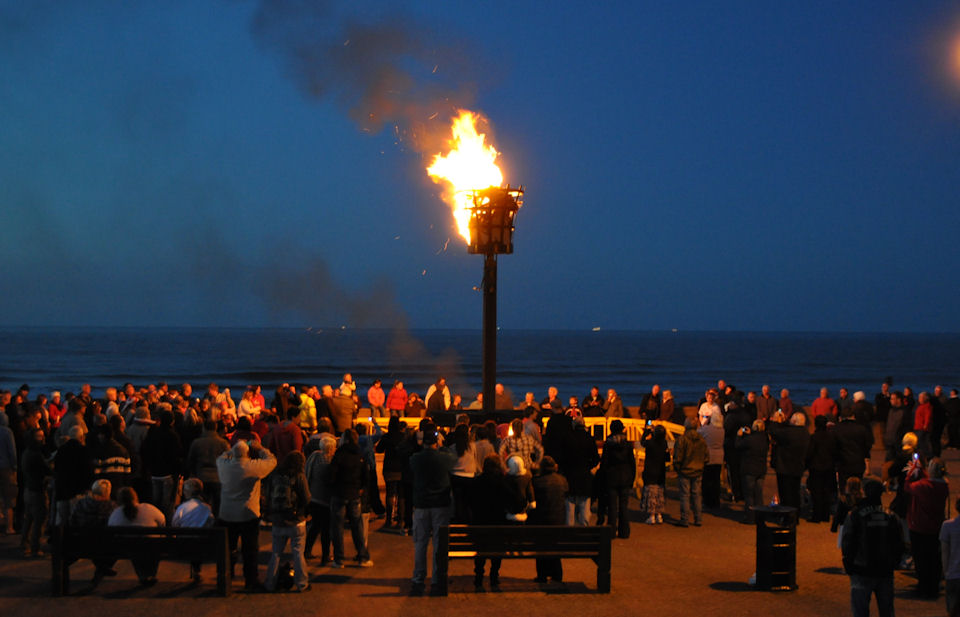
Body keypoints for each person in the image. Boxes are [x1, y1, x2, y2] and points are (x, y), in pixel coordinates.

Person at [216, 439, 277, 591]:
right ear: (248, 453)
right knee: (250, 549)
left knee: (228, 548)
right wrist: (261, 448)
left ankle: (225, 577)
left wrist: (231, 451)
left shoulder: (224, 466)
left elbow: (220, 457)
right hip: (248, 513)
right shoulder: (252, 467)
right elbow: (272, 461)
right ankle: (250, 580)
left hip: (227, 513)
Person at [841, 477, 904, 617]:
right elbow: (899, 542)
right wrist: (895, 561)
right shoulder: (891, 516)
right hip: (885, 570)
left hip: (861, 570)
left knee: (860, 611)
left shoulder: (855, 515)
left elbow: (847, 542)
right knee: (887, 611)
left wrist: (849, 563)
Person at [408, 423, 455, 596]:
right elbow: (453, 457)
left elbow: (411, 461)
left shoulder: (415, 459)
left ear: (423, 443)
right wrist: (443, 446)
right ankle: (437, 580)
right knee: (439, 544)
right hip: (440, 505)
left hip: (421, 505)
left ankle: (418, 579)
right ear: (436, 442)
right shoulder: (444, 458)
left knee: (420, 543)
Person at [264, 451, 311, 593]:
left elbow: (267, 494)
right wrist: (306, 513)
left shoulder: (275, 475)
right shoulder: (298, 476)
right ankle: (302, 583)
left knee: (276, 553)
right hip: (296, 520)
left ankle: (270, 583)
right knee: (298, 553)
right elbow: (306, 498)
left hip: (278, 519)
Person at [904, 457, 949, 599]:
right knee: (934, 558)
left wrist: (912, 471)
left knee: (921, 558)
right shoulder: (943, 486)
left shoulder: (923, 486)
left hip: (919, 526)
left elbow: (908, 486)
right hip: (935, 526)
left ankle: (923, 586)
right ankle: (933, 586)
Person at [329, 429, 372, 568]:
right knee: (357, 526)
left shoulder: (339, 455)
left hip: (339, 493)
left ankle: (339, 558)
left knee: (338, 527)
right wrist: (361, 488)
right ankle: (362, 556)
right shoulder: (359, 455)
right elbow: (366, 475)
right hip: (354, 494)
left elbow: (332, 475)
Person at [108, 487, 165, 586]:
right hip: (151, 545)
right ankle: (150, 574)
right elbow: (162, 521)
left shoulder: (116, 513)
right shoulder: (148, 508)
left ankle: (143, 575)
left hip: (128, 547)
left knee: (134, 547)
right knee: (153, 543)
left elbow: (111, 529)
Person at [470, 454, 508, 591]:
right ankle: (494, 575)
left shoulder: (477, 482)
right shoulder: (503, 482)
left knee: (481, 549)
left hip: (480, 522)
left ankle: (479, 575)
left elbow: (470, 502)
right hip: (498, 523)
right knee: (497, 548)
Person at [531, 456, 568, 584]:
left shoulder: (537, 482)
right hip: (558, 521)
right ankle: (557, 574)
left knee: (541, 546)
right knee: (555, 546)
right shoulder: (562, 481)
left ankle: (542, 575)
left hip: (541, 521)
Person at [171, 478, 215, 583]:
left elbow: (174, 524)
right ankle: (196, 570)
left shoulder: (182, 507)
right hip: (201, 542)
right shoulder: (206, 507)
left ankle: (195, 570)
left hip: (184, 541)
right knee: (198, 543)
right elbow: (211, 522)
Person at [598, 420, 635, 538]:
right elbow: (632, 462)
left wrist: (603, 476)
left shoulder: (608, 444)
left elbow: (604, 462)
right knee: (624, 506)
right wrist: (632, 478)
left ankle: (612, 531)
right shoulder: (627, 444)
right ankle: (624, 531)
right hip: (625, 477)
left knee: (612, 506)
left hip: (611, 477)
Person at [767, 411, 810, 510]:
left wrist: (775, 420)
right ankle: (795, 515)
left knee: (785, 493)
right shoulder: (805, 433)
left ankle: (787, 516)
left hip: (785, 467)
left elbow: (774, 432)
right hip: (798, 466)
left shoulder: (789, 433)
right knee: (795, 492)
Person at [304, 433, 337, 562]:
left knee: (315, 526)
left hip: (314, 497)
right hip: (326, 499)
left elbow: (307, 473)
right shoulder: (332, 461)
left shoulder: (314, 456)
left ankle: (307, 550)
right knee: (326, 529)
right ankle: (325, 555)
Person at [561, 417, 599, 526]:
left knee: (569, 508)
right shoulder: (589, 438)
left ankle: (569, 533)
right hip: (584, 475)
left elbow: (562, 457)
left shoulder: (567, 438)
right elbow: (596, 459)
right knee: (584, 506)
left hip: (570, 475)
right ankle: (584, 530)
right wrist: (588, 466)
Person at [673, 417, 708, 527]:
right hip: (697, 470)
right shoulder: (702, 439)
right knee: (697, 495)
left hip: (685, 470)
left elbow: (677, 457)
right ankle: (698, 519)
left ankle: (685, 519)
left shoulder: (682, 439)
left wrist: (678, 468)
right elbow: (706, 457)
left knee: (685, 495)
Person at [20, 427, 49, 556]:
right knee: (38, 519)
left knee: (29, 518)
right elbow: (44, 470)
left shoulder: (28, 452)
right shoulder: (35, 454)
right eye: (39, 436)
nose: (42, 439)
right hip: (37, 489)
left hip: (29, 488)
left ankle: (24, 543)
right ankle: (35, 547)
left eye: (42, 436)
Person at [737, 419, 769, 524]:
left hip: (749, 469)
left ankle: (750, 517)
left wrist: (739, 435)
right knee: (759, 494)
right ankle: (760, 517)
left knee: (749, 495)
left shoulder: (750, 440)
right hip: (761, 469)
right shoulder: (765, 439)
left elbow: (738, 445)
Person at [805, 415, 836, 523]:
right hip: (829, 467)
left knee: (816, 492)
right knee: (826, 491)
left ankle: (817, 515)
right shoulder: (831, 437)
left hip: (816, 467)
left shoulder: (814, 437)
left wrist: (807, 463)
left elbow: (810, 452)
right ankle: (825, 515)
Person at [640, 424, 669, 524]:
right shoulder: (664, 443)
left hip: (650, 471)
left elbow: (642, 442)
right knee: (659, 493)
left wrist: (646, 433)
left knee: (651, 493)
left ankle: (652, 515)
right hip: (660, 471)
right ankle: (659, 515)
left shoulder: (650, 443)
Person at [698, 412, 725, 508]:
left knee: (706, 480)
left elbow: (698, 432)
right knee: (716, 480)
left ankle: (707, 500)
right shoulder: (722, 430)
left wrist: (705, 423)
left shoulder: (707, 429)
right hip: (719, 457)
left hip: (709, 456)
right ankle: (715, 500)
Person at [940, 496, 960, 616]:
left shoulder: (947, 526)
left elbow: (945, 551)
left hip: (953, 574)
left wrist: (945, 572)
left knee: (952, 611)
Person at [0, 412, 17, 535]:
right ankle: (9, 527)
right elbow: (12, 450)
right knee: (9, 498)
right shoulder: (7, 432)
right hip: (6, 467)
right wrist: (15, 466)